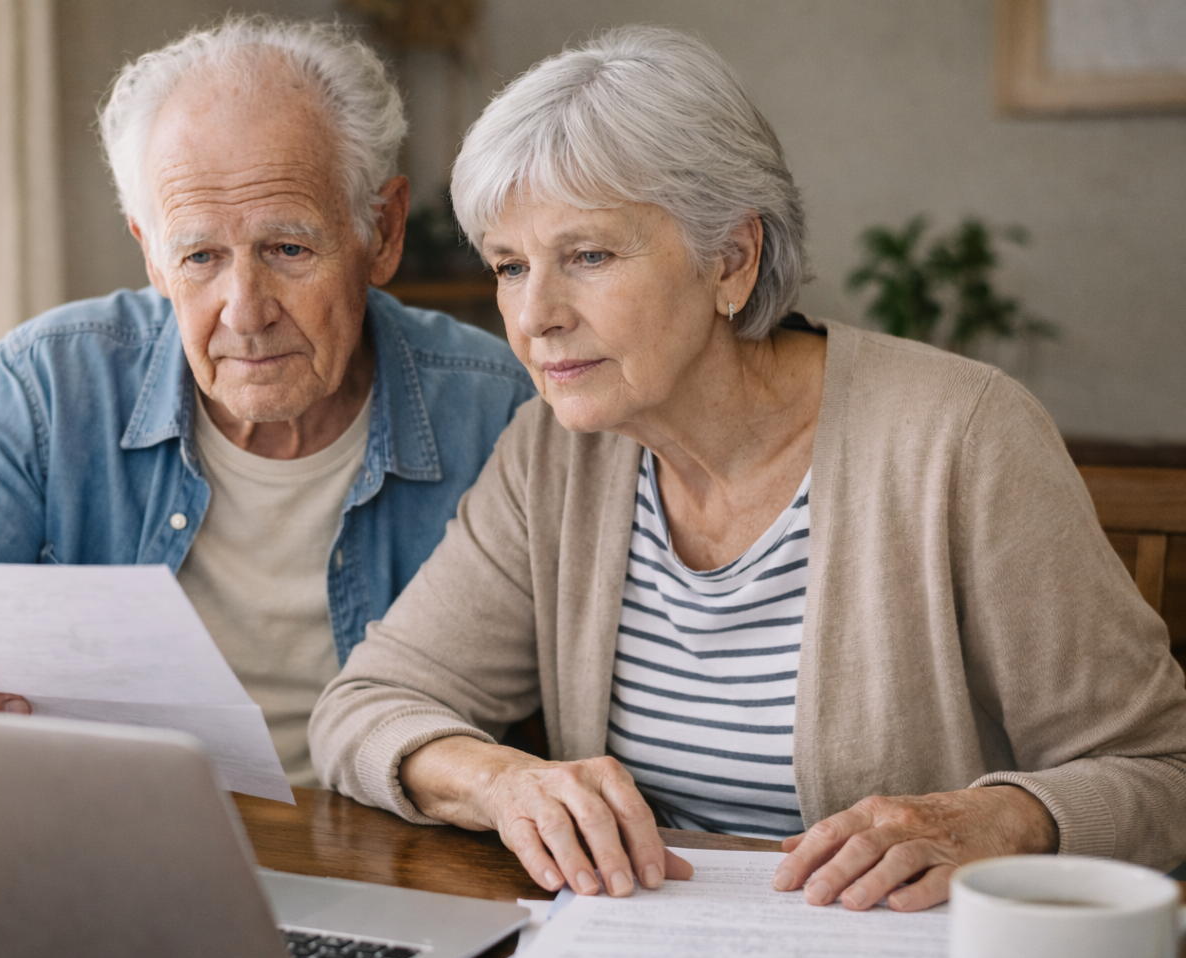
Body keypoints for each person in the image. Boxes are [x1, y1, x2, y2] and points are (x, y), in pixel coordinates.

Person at [309, 26, 1186, 909]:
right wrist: (503, 782)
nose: (534, 315)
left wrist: (1008, 818)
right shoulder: (551, 454)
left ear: (732, 260)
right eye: (509, 265)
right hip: (642, 957)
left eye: (589, 255)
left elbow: (1163, 768)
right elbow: (365, 708)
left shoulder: (959, 436)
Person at [0, 17, 535, 787]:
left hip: (390, 855)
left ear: (384, 231)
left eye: (288, 249)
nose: (245, 310)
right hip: (118, 849)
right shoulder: (51, 386)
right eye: (200, 256)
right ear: (152, 255)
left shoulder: (496, 408)